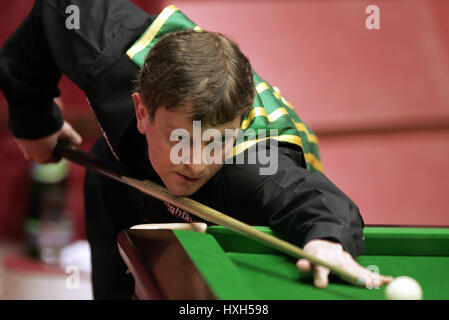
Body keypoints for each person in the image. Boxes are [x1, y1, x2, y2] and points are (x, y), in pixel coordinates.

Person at [0, 0, 392, 299]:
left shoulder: (253, 167)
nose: (195, 163)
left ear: (236, 130)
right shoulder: (108, 54)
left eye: (214, 142)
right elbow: (55, 10)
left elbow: (314, 199)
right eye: (179, 139)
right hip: (121, 175)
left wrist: (328, 240)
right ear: (141, 110)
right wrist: (34, 121)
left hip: (231, 208)